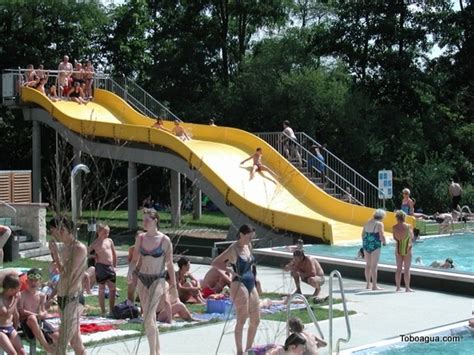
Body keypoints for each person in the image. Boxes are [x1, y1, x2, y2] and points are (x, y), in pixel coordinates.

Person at [127, 208, 176, 355]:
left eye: (147, 220)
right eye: (143, 220)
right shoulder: (140, 238)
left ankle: (152, 353)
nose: (144, 223)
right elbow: (134, 260)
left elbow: (170, 264)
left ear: (155, 221)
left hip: (158, 279)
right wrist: (130, 271)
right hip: (143, 278)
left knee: (148, 315)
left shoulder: (164, 240)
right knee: (149, 318)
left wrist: (174, 285)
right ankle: (157, 350)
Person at [211, 224, 260, 355]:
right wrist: (229, 270)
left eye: (252, 237)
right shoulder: (233, 249)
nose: (251, 239)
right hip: (239, 283)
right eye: (249, 237)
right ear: (242, 235)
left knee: (256, 319)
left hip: (250, 282)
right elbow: (215, 262)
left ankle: (248, 349)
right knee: (242, 318)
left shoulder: (248, 246)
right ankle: (239, 351)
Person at [47, 215, 87, 355]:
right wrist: (51, 296)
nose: (53, 235)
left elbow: (67, 275)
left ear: (62, 229)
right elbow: (61, 279)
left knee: (61, 343)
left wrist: (55, 256)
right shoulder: (65, 247)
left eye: (53, 231)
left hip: (73, 299)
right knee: (76, 343)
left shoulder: (78, 248)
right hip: (62, 298)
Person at [18, 268, 58, 353]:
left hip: (39, 322)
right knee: (32, 318)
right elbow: (21, 311)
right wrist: (36, 315)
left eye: (35, 281)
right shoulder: (22, 295)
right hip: (26, 323)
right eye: (31, 281)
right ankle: (46, 346)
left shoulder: (41, 296)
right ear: (27, 281)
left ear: (40, 282)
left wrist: (43, 314)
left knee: (57, 336)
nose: (33, 283)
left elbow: (43, 311)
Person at [87, 224, 117, 316]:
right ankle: (103, 310)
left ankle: (112, 310)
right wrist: (92, 256)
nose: (106, 234)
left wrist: (115, 266)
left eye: (108, 232)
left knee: (113, 289)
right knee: (102, 288)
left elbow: (114, 254)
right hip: (101, 267)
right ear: (98, 232)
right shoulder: (95, 243)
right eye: (104, 232)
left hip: (110, 267)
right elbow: (86, 252)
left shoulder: (109, 241)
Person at [0, 274, 26, 355]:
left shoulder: (12, 297)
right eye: (17, 289)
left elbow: (15, 314)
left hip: (10, 328)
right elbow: (6, 314)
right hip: (0, 330)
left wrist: (15, 328)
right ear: (10, 290)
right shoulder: (1, 299)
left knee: (22, 352)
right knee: (13, 353)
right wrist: (16, 300)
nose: (19, 292)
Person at [361, 209, 387, 290]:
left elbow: (362, 235)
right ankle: (374, 286)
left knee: (368, 265)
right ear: (382, 217)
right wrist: (385, 242)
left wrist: (366, 242)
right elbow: (382, 236)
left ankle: (368, 284)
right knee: (374, 266)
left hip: (366, 244)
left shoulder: (367, 222)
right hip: (375, 245)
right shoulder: (379, 224)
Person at [392, 211, 414, 292]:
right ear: (404, 217)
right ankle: (407, 288)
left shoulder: (394, 227)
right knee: (407, 269)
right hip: (407, 248)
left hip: (398, 248)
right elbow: (411, 237)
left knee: (398, 268)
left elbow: (394, 238)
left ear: (397, 218)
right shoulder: (408, 227)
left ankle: (398, 287)